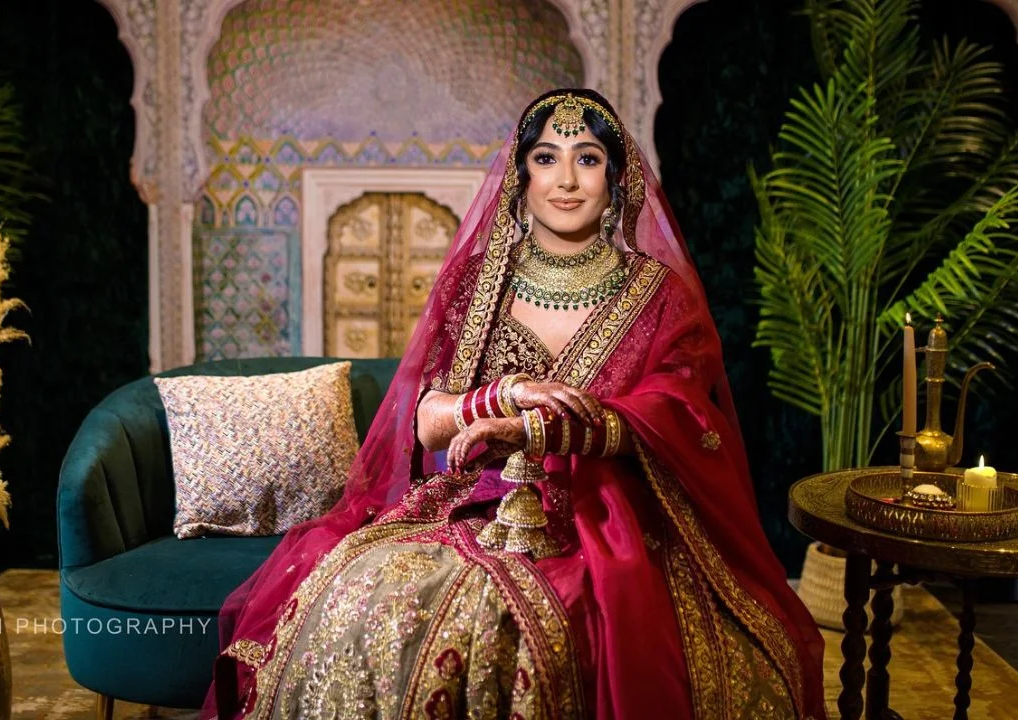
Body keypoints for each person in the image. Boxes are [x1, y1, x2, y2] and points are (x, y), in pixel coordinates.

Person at [201, 88, 826, 719]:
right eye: (547, 158)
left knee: (564, 619)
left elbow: (684, 414)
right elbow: (425, 423)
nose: (566, 180)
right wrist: (505, 396)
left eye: (587, 159)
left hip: (610, 514)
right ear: (522, 174)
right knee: (370, 595)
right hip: (471, 504)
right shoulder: (476, 282)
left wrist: (548, 430)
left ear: (616, 177)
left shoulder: (659, 295)